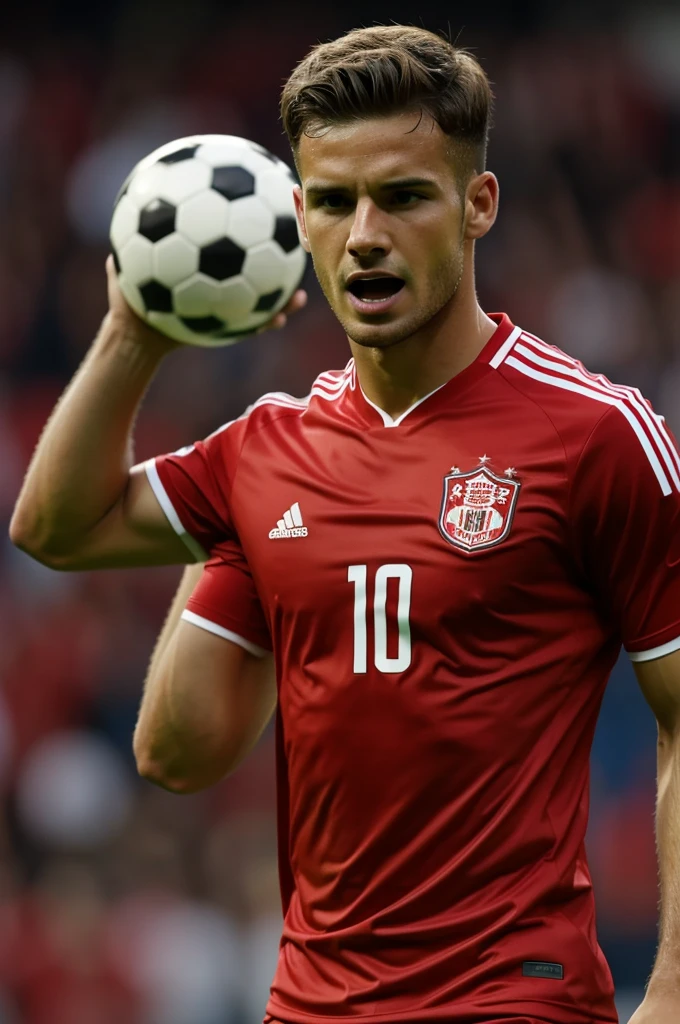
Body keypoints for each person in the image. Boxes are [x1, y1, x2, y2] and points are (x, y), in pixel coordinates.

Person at [9, 23, 680, 1024]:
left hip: (511, 1001)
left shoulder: (593, 432)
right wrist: (134, 328)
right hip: (310, 1005)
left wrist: (670, 990)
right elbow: (59, 528)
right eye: (330, 202)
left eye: (403, 196)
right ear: (297, 222)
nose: (363, 231)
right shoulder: (268, 446)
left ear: (476, 205)